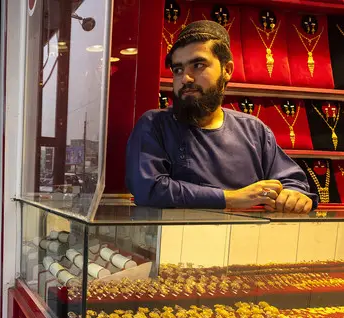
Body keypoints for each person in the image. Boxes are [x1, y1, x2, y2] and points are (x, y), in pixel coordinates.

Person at [125, 21, 316, 213]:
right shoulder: (154, 125)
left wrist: (294, 195)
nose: (185, 78)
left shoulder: (253, 130)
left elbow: (292, 180)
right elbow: (148, 189)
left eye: (198, 65)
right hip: (175, 241)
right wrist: (231, 198)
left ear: (227, 70)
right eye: (178, 70)